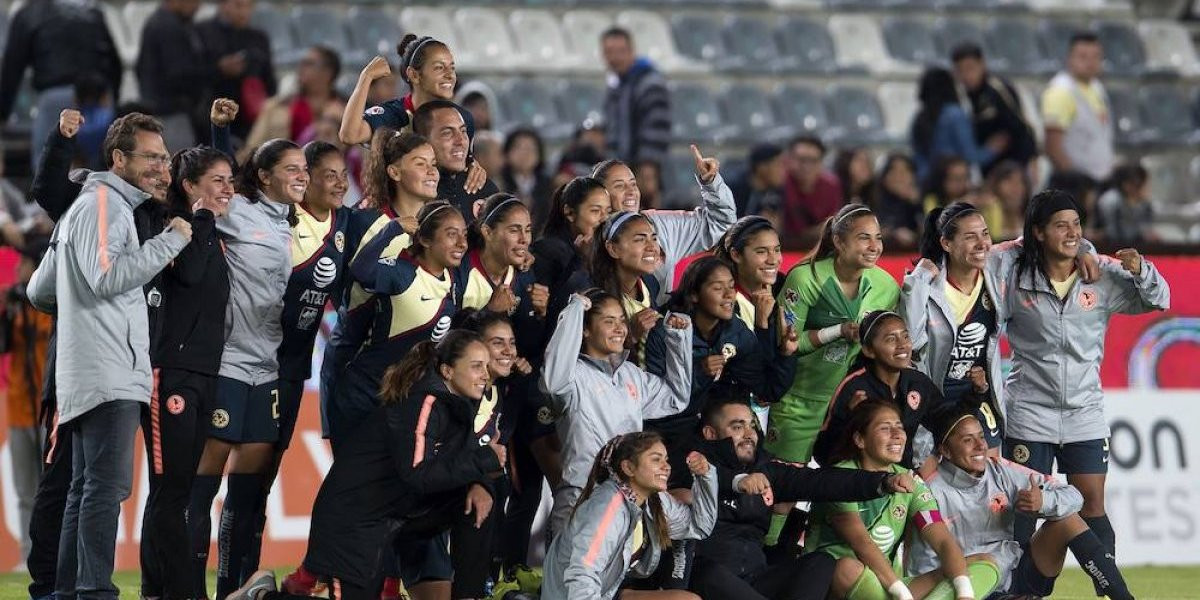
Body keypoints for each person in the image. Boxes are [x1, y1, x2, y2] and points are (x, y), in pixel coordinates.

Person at [31, 113, 192, 600]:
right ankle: (93, 589)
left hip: (90, 367)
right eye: (150, 157)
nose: (160, 168)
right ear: (118, 159)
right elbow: (106, 277)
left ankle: (69, 590)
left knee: (85, 490)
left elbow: (41, 290)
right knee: (104, 490)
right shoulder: (105, 203)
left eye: (164, 158)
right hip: (108, 371)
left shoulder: (91, 205)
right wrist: (172, 240)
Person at [230, 330, 506, 600]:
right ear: (447, 371)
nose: (485, 373)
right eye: (476, 366)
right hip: (353, 522)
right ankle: (261, 596)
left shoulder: (458, 405)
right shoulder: (424, 403)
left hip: (394, 514)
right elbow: (418, 475)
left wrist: (479, 481)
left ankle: (471, 595)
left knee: (478, 500)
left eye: (485, 366)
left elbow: (460, 461)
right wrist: (484, 461)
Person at [1000, 189, 1169, 576]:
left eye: (1077, 225)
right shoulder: (1014, 276)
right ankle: (1013, 588)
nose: (1073, 233)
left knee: (1092, 506)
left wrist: (1141, 268)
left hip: (1084, 412)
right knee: (1023, 507)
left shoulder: (1103, 274)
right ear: (1038, 233)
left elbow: (1159, 298)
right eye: (1061, 226)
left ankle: (1108, 588)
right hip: (1029, 410)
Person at [189, 138, 301, 600]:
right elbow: (209, 187)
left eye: (304, 169)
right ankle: (186, 588)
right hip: (228, 362)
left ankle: (233, 590)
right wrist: (222, 130)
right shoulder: (237, 210)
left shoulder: (295, 225)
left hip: (268, 367)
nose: (302, 175)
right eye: (291, 168)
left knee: (248, 492)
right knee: (202, 483)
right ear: (262, 175)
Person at [690, 393, 916, 600]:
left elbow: (821, 482)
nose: (750, 435)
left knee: (821, 562)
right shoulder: (688, 468)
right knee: (707, 572)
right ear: (711, 434)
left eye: (752, 426)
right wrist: (737, 482)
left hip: (756, 580)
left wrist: (881, 481)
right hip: (707, 578)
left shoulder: (767, 471)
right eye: (737, 427)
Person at [910, 406, 1135, 600]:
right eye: (968, 440)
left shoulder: (1000, 470)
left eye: (981, 436)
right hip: (969, 585)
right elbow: (923, 564)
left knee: (1068, 520)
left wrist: (1044, 501)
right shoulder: (930, 490)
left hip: (1014, 573)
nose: (980, 446)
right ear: (945, 450)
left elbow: (1074, 496)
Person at [138, 144, 233, 600]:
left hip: (204, 373)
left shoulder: (209, 231)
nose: (228, 189)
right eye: (217, 181)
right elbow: (190, 275)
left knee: (175, 490)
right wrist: (201, 219)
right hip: (170, 373)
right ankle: (174, 591)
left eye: (230, 180)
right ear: (189, 186)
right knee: (170, 491)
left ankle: (157, 590)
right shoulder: (173, 227)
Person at [805, 399, 999, 600]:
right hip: (841, 585)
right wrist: (902, 594)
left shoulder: (910, 480)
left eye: (900, 427)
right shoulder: (840, 477)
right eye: (885, 428)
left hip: (889, 589)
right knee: (846, 567)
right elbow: (862, 543)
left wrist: (964, 592)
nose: (898, 435)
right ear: (860, 440)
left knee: (982, 563)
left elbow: (941, 540)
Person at [318, 131, 439, 441]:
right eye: (420, 163)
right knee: (352, 484)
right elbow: (341, 282)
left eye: (433, 164)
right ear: (394, 172)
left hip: (412, 380)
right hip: (357, 375)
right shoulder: (364, 222)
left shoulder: (443, 231)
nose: (431, 171)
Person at [541, 290, 692, 536]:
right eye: (609, 321)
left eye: (622, 320)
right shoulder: (572, 376)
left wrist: (677, 340)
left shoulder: (630, 374)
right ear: (585, 330)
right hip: (582, 499)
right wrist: (575, 311)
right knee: (571, 574)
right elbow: (553, 381)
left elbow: (676, 398)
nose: (620, 328)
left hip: (626, 500)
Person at [645, 256, 797, 495]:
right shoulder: (666, 331)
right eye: (718, 288)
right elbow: (658, 403)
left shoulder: (735, 332)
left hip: (713, 435)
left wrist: (785, 353)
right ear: (694, 294)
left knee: (776, 481)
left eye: (731, 286)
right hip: (671, 435)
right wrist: (700, 373)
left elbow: (767, 389)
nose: (729, 295)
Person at [770, 204, 899, 465]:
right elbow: (787, 344)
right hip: (798, 400)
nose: (874, 246)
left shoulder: (886, 286)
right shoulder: (807, 278)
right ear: (839, 241)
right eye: (864, 238)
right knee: (784, 494)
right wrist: (837, 331)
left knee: (845, 487)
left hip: (849, 403)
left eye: (878, 238)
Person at [331, 201, 467, 444]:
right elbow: (361, 270)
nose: (462, 244)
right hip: (363, 396)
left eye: (464, 235)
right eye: (451, 234)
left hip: (398, 402)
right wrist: (392, 229)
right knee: (351, 479)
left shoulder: (452, 279)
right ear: (425, 240)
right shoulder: (402, 273)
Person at [541, 432, 716, 600]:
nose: (667, 466)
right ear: (629, 468)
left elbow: (699, 526)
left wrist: (705, 476)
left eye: (666, 459)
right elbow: (582, 573)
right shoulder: (607, 507)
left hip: (609, 593)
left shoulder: (652, 499)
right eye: (656, 459)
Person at [900, 203, 1006, 455]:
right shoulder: (926, 286)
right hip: (932, 401)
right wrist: (918, 280)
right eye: (970, 237)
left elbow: (1036, 247)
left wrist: (1084, 251)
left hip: (978, 396)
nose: (982, 243)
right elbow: (911, 341)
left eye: (985, 233)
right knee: (931, 488)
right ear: (946, 243)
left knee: (988, 478)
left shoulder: (997, 273)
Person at [811, 310, 953, 473]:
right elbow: (822, 453)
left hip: (901, 477)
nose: (902, 345)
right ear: (868, 350)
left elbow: (947, 420)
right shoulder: (854, 387)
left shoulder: (917, 381)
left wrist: (975, 395)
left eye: (905, 336)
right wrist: (848, 416)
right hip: (856, 481)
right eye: (891, 339)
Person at [592, 144, 734, 304]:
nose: (631, 191)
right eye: (619, 186)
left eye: (633, 184)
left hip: (656, 325)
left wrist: (712, 184)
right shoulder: (585, 238)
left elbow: (720, 223)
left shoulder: (661, 226)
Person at [0, 0, 122, 172]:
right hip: (97, 96)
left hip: (56, 96)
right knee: (101, 167)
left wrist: (3, 113)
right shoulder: (91, 12)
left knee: (48, 166)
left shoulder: (30, 13)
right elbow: (114, 63)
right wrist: (113, 101)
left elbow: (13, 66)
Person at [0, 238, 54, 563]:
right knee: (25, 489)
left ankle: (51, 554)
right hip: (21, 406)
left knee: (51, 485)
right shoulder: (15, 307)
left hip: (48, 408)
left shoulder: (50, 304)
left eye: (23, 264)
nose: (18, 271)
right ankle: (27, 555)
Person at [340, 34, 476, 144]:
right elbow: (349, 135)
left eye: (452, 68)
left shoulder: (463, 119)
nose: (450, 75)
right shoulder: (392, 115)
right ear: (414, 75)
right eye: (439, 67)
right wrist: (366, 77)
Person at [239, 46, 343, 163]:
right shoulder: (276, 107)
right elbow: (251, 149)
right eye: (301, 63)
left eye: (308, 64)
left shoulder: (345, 111)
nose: (301, 68)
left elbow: (359, 156)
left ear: (327, 72)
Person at [950, 43, 1037, 176]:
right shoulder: (959, 96)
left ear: (982, 64)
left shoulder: (997, 89)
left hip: (1012, 163)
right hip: (986, 166)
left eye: (970, 68)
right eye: (960, 70)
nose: (966, 75)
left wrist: (1032, 159)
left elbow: (1021, 125)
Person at [136, 0, 213, 149]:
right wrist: (215, 71)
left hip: (163, 110)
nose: (197, 6)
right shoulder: (168, 27)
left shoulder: (167, 22)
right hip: (171, 113)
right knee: (178, 164)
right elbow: (179, 73)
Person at [910, 67, 1007, 184]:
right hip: (953, 181)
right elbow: (970, 155)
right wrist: (992, 150)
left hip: (926, 182)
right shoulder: (954, 114)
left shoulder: (918, 119)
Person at [197, 0, 277, 140]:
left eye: (249, 6)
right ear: (223, 5)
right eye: (238, 5)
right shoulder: (202, 33)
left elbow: (270, 82)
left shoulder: (259, 38)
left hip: (249, 119)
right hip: (210, 117)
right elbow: (192, 77)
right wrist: (219, 70)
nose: (244, 12)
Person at [601, 27, 671, 185]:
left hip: (643, 169)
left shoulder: (649, 83)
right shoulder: (617, 84)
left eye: (621, 51)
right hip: (624, 166)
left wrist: (649, 163)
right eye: (609, 52)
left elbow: (656, 125)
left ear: (632, 51)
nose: (615, 57)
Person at [1042, 32, 1114, 183]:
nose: (1090, 62)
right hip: (1074, 186)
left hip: (1099, 181)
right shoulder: (1060, 92)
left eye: (1096, 57)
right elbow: (1053, 147)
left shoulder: (1097, 88)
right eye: (1083, 57)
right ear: (1070, 59)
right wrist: (1077, 184)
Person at [412, 99, 500, 222]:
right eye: (447, 133)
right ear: (423, 140)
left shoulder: (483, 189)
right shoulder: (408, 192)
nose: (461, 141)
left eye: (463, 131)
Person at [781, 136, 843, 242]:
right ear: (789, 160)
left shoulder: (831, 186)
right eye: (801, 160)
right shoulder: (780, 182)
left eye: (814, 161)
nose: (807, 167)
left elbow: (832, 225)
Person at [500, 127, 555, 232]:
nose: (525, 153)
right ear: (507, 154)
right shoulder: (499, 182)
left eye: (531, 148)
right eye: (518, 148)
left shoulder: (548, 184)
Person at [872, 154, 923, 248]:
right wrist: (893, 234)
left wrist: (917, 205)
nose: (900, 176)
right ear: (883, 176)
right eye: (894, 171)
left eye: (905, 171)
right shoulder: (872, 199)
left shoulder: (924, 199)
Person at [1098, 162, 1155, 244]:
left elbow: (1148, 226)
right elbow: (1114, 234)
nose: (1147, 188)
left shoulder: (1144, 204)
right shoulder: (1111, 201)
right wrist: (1142, 234)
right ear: (1127, 185)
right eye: (1143, 184)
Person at [726, 143, 786, 221]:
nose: (784, 170)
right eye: (778, 165)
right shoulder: (734, 191)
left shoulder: (777, 192)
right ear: (762, 168)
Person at [977, 160, 1027, 240]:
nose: (1015, 187)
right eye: (1009, 180)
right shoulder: (986, 213)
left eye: (1020, 181)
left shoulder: (1029, 217)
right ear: (996, 185)